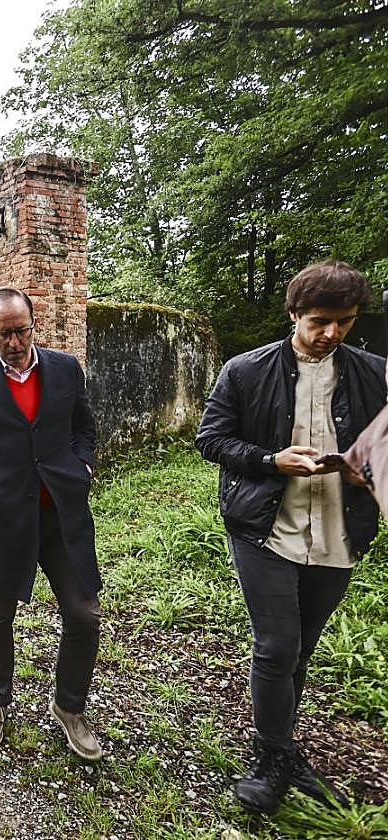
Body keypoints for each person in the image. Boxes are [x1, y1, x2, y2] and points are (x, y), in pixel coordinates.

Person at [196, 260, 383, 814]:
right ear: (294, 313)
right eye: (320, 321)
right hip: (264, 527)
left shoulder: (376, 374)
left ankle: (282, 746)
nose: (332, 332)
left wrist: (368, 469)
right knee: (277, 645)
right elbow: (212, 440)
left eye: (345, 321)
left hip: (339, 530)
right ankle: (272, 757)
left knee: (301, 647)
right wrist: (270, 460)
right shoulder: (245, 371)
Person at [0, 287, 103, 762]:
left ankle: (69, 707)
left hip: (61, 515)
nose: (13, 342)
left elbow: (84, 426)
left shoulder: (65, 368)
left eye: (20, 331)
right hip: (5, 516)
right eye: (3, 333)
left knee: (84, 615)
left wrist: (83, 465)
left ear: (34, 324)